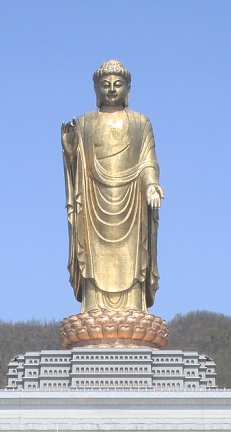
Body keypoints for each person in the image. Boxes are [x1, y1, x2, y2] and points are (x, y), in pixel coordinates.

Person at [62, 61, 162, 322]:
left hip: (133, 203)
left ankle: (134, 307)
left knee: (134, 256)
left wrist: (152, 185)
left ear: (128, 88)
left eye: (118, 85)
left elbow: (148, 161)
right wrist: (70, 150)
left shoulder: (140, 123)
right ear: (96, 89)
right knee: (93, 254)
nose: (112, 90)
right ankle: (94, 307)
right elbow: (77, 165)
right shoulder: (84, 123)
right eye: (105, 85)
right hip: (93, 202)